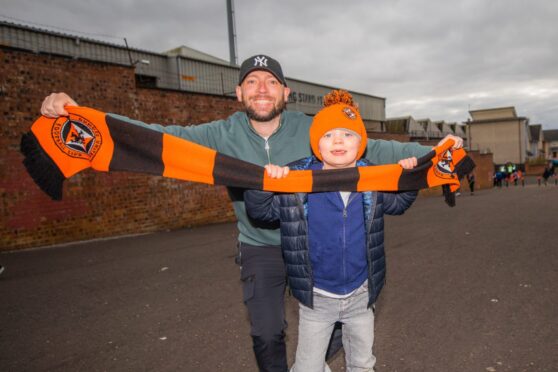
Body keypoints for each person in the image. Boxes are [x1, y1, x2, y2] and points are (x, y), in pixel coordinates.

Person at [40, 55, 463, 372]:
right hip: (260, 244)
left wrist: (437, 155)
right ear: (239, 93)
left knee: (334, 323)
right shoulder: (218, 134)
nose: (262, 88)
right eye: (251, 82)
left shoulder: (313, 129)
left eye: (271, 81)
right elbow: (159, 139)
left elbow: (379, 152)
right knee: (266, 333)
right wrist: (86, 118)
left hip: (317, 245)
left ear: (285, 93)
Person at [244, 90, 417, 371]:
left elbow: (398, 204)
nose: (338, 140)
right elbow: (261, 211)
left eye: (347, 134)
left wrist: (408, 178)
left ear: (360, 143)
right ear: (316, 145)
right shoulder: (298, 181)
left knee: (362, 363)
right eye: (328, 135)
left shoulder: (372, 179)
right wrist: (264, 183)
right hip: (317, 297)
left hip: (361, 294)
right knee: (307, 368)